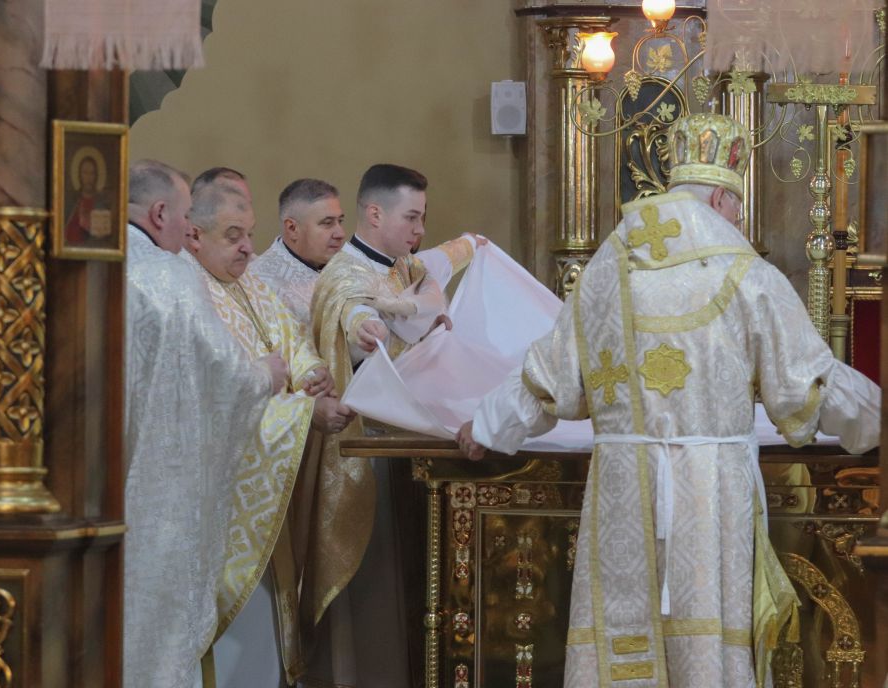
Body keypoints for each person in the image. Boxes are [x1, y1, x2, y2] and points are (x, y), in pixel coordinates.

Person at [456, 113, 881, 687]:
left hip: (623, 488)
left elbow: (547, 377)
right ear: (719, 197)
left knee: (623, 644)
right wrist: (877, 418)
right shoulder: (745, 273)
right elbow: (808, 386)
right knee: (705, 646)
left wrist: (485, 426)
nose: (736, 220)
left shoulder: (607, 267)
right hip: (710, 492)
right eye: (735, 208)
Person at [182, 179, 355, 687]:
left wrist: (313, 375)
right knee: (233, 644)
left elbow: (291, 342)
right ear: (194, 235)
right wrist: (307, 413)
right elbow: (216, 401)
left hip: (268, 497)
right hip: (224, 502)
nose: (247, 248)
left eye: (249, 234)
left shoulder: (250, 284)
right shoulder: (190, 296)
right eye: (232, 235)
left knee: (269, 630)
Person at [124, 159, 288, 688]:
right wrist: (266, 375)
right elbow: (226, 375)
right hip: (156, 497)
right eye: (184, 218)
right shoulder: (169, 275)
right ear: (160, 213)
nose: (187, 232)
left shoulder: (89, 263)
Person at [303, 163, 450, 687]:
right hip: (365, 453)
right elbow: (354, 312)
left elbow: (429, 292)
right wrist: (367, 329)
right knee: (372, 588)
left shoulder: (403, 268)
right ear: (374, 213)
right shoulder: (346, 273)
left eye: (423, 217)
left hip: (407, 445)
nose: (419, 229)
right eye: (411, 217)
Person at [249, 178, 346, 325]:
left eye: (340, 221)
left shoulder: (347, 271)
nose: (340, 234)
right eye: (327, 223)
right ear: (292, 229)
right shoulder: (262, 288)